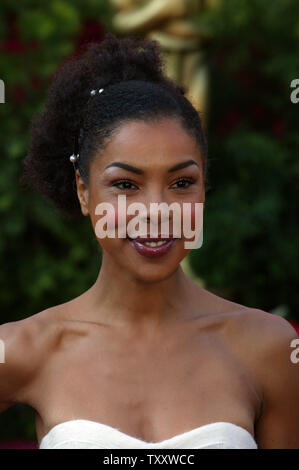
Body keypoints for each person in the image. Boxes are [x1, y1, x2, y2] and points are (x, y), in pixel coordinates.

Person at [1, 32, 298, 449]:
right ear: (84, 192)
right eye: (125, 183)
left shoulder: (270, 347)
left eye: (181, 182)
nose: (157, 210)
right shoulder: (22, 349)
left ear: (204, 187)